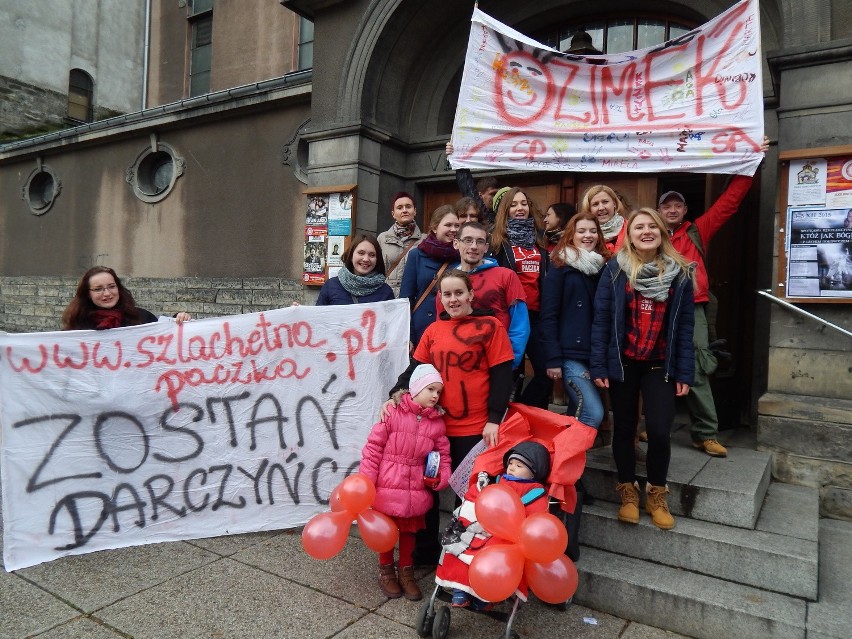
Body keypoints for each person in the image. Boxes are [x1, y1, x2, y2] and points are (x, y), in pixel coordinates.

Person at [388, 269, 516, 565]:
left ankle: (460, 558)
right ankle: (426, 552)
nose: (453, 299)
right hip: (434, 428)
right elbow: (415, 370)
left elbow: (501, 376)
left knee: (467, 496)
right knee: (426, 490)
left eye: (459, 293)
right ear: (440, 298)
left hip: (474, 429)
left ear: (471, 295)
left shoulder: (491, 326)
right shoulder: (433, 331)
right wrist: (394, 394)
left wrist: (494, 418)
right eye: (447, 294)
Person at [657, 137, 767, 457]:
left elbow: (729, 202)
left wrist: (752, 160)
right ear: (659, 210)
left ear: (685, 209)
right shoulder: (646, 234)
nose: (673, 209)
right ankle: (657, 425)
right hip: (659, 308)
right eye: (667, 205)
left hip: (693, 308)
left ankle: (705, 432)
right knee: (655, 366)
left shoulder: (697, 230)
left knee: (699, 366)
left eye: (678, 205)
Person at [591, 208, 695, 530]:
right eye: (639, 226)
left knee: (661, 432)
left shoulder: (680, 273)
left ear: (663, 233)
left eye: (653, 226)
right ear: (629, 233)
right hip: (624, 363)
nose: (646, 231)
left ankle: (657, 493)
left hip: (659, 365)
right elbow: (602, 321)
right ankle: (628, 491)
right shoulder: (614, 270)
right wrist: (599, 363)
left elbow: (686, 327)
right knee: (624, 428)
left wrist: (684, 372)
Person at [360, 363, 452, 601]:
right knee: (386, 531)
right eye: (430, 389)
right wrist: (367, 482)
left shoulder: (437, 423)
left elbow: (443, 455)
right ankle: (386, 569)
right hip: (388, 483)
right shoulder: (392, 413)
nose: (435, 395)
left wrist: (441, 476)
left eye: (438, 392)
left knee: (410, 531)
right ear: (416, 388)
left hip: (415, 487)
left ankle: (406, 571)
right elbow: (373, 449)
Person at [435, 441, 551, 609]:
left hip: (509, 536)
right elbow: (481, 499)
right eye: (510, 463)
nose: (512, 467)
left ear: (534, 473)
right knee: (459, 544)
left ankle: (485, 595)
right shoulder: (497, 480)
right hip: (482, 527)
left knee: (492, 556)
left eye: (519, 465)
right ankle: (460, 590)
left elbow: (537, 520)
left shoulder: (534, 491)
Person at [540, 211, 611, 428]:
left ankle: (561, 458)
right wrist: (552, 358)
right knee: (592, 413)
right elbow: (549, 315)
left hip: (597, 352)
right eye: (581, 231)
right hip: (570, 353)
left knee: (576, 414)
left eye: (592, 231)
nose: (587, 235)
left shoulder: (605, 267)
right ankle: (562, 458)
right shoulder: (560, 266)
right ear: (571, 235)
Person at [435, 222, 529, 369]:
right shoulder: (447, 282)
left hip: (497, 362)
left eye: (479, 242)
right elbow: (441, 325)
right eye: (468, 240)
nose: (474, 246)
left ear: (486, 247)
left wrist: (509, 362)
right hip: (457, 363)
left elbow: (520, 323)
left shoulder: (506, 276)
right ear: (456, 243)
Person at [490, 186, 551, 409]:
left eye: (523, 204)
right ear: (506, 209)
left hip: (536, 318)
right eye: (514, 204)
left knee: (546, 374)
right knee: (511, 374)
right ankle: (507, 421)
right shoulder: (497, 242)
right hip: (511, 318)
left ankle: (526, 414)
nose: (519, 208)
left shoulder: (541, 241)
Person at [399, 205, 460, 345]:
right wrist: (407, 335)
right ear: (434, 228)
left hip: (453, 328)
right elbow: (406, 299)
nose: (454, 230)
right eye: (448, 225)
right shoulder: (417, 255)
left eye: (457, 225)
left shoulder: (462, 256)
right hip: (422, 329)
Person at [62, 266, 191, 330]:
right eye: (98, 289)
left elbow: (165, 334)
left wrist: (179, 320)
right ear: (87, 294)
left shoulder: (141, 317)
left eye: (111, 286)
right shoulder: (77, 325)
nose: (107, 293)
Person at [316, 234, 394, 305]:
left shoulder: (386, 292)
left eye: (372, 255)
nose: (366, 259)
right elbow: (318, 317)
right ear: (351, 256)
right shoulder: (330, 286)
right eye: (361, 253)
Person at [377, 191, 423, 296]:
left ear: (415, 211)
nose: (404, 210)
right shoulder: (382, 238)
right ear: (393, 214)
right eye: (400, 207)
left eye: (408, 207)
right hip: (387, 296)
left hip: (412, 297)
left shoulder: (424, 240)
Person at [446, 142, 500, 226]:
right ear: (480, 196)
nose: (496, 197)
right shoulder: (478, 210)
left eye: (498, 193)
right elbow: (465, 182)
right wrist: (456, 153)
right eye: (492, 194)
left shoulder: (504, 214)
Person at [580, 185, 629, 252]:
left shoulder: (630, 228)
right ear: (589, 209)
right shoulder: (581, 235)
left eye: (605, 202)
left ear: (614, 203)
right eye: (595, 204)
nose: (601, 208)